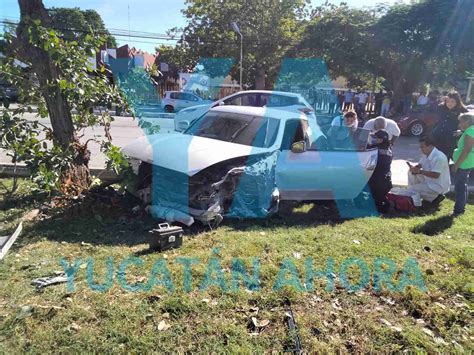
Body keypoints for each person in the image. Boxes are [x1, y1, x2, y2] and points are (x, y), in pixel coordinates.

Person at [405, 136, 451, 205]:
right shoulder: (426, 153)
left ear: (430, 146)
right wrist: (415, 168)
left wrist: (420, 171)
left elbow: (436, 175)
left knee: (412, 190)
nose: (421, 149)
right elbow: (420, 164)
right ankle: (423, 195)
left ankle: (434, 196)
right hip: (429, 181)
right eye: (420, 147)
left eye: (422, 147)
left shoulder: (439, 157)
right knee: (410, 172)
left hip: (437, 185)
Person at [430, 91, 468, 161]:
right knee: (432, 158)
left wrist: (461, 131)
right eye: (448, 101)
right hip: (436, 137)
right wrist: (440, 100)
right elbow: (431, 110)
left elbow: (469, 126)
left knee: (443, 160)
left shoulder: (462, 111)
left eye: (452, 102)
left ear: (457, 102)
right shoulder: (441, 107)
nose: (449, 103)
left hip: (449, 139)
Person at [367, 117, 393, 212]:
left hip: (379, 176)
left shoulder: (381, 144)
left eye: (376, 138)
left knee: (376, 193)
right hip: (383, 176)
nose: (374, 139)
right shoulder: (387, 145)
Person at [452, 113, 474, 216]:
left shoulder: (471, 131)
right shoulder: (470, 130)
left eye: (461, 121)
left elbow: (467, 150)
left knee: (460, 187)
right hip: (466, 162)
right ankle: (460, 208)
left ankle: (458, 210)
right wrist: (461, 133)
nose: (459, 124)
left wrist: (456, 165)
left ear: (467, 122)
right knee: (462, 185)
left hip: (464, 163)